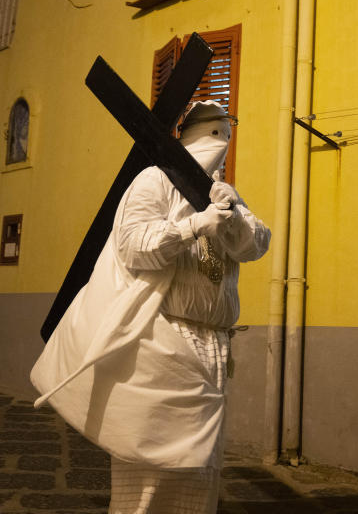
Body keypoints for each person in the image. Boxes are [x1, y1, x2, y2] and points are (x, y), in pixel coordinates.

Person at [30, 100, 270, 514]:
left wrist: (232, 217)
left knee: (200, 472)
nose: (221, 142)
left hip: (213, 342)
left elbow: (256, 244)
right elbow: (134, 245)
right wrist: (192, 225)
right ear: (188, 134)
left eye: (225, 132)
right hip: (165, 337)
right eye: (214, 132)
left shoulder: (221, 192)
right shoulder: (154, 181)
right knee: (151, 469)